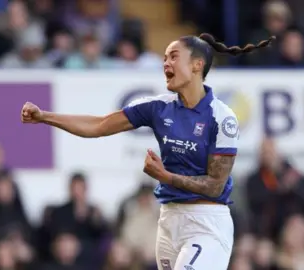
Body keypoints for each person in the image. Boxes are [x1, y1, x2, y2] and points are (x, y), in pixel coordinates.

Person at [20, 33, 274, 270]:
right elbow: (98, 125)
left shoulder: (222, 117)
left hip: (206, 222)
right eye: (164, 58)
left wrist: (165, 177)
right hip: (168, 220)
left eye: (173, 56)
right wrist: (45, 117)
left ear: (197, 65)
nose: (166, 63)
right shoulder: (158, 107)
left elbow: (215, 186)